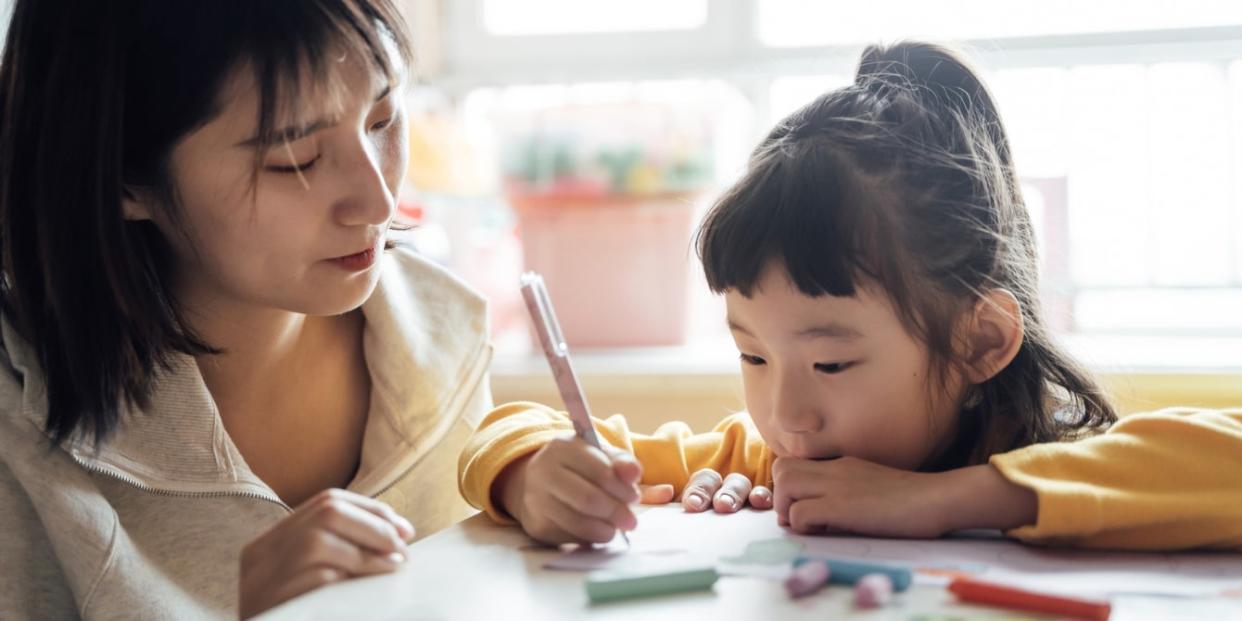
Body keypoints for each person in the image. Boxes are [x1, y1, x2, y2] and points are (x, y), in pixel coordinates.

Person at [458, 41, 1242, 552]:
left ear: (979, 342)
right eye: (752, 353)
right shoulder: (759, 462)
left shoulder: (1058, 461)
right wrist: (532, 477)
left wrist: (940, 500)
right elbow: (506, 427)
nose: (785, 412)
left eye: (831, 362)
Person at [0, 1, 493, 618]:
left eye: (383, 118)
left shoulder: (442, 332)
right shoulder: (16, 434)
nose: (376, 199)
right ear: (125, 180)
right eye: (296, 160)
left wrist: (520, 479)